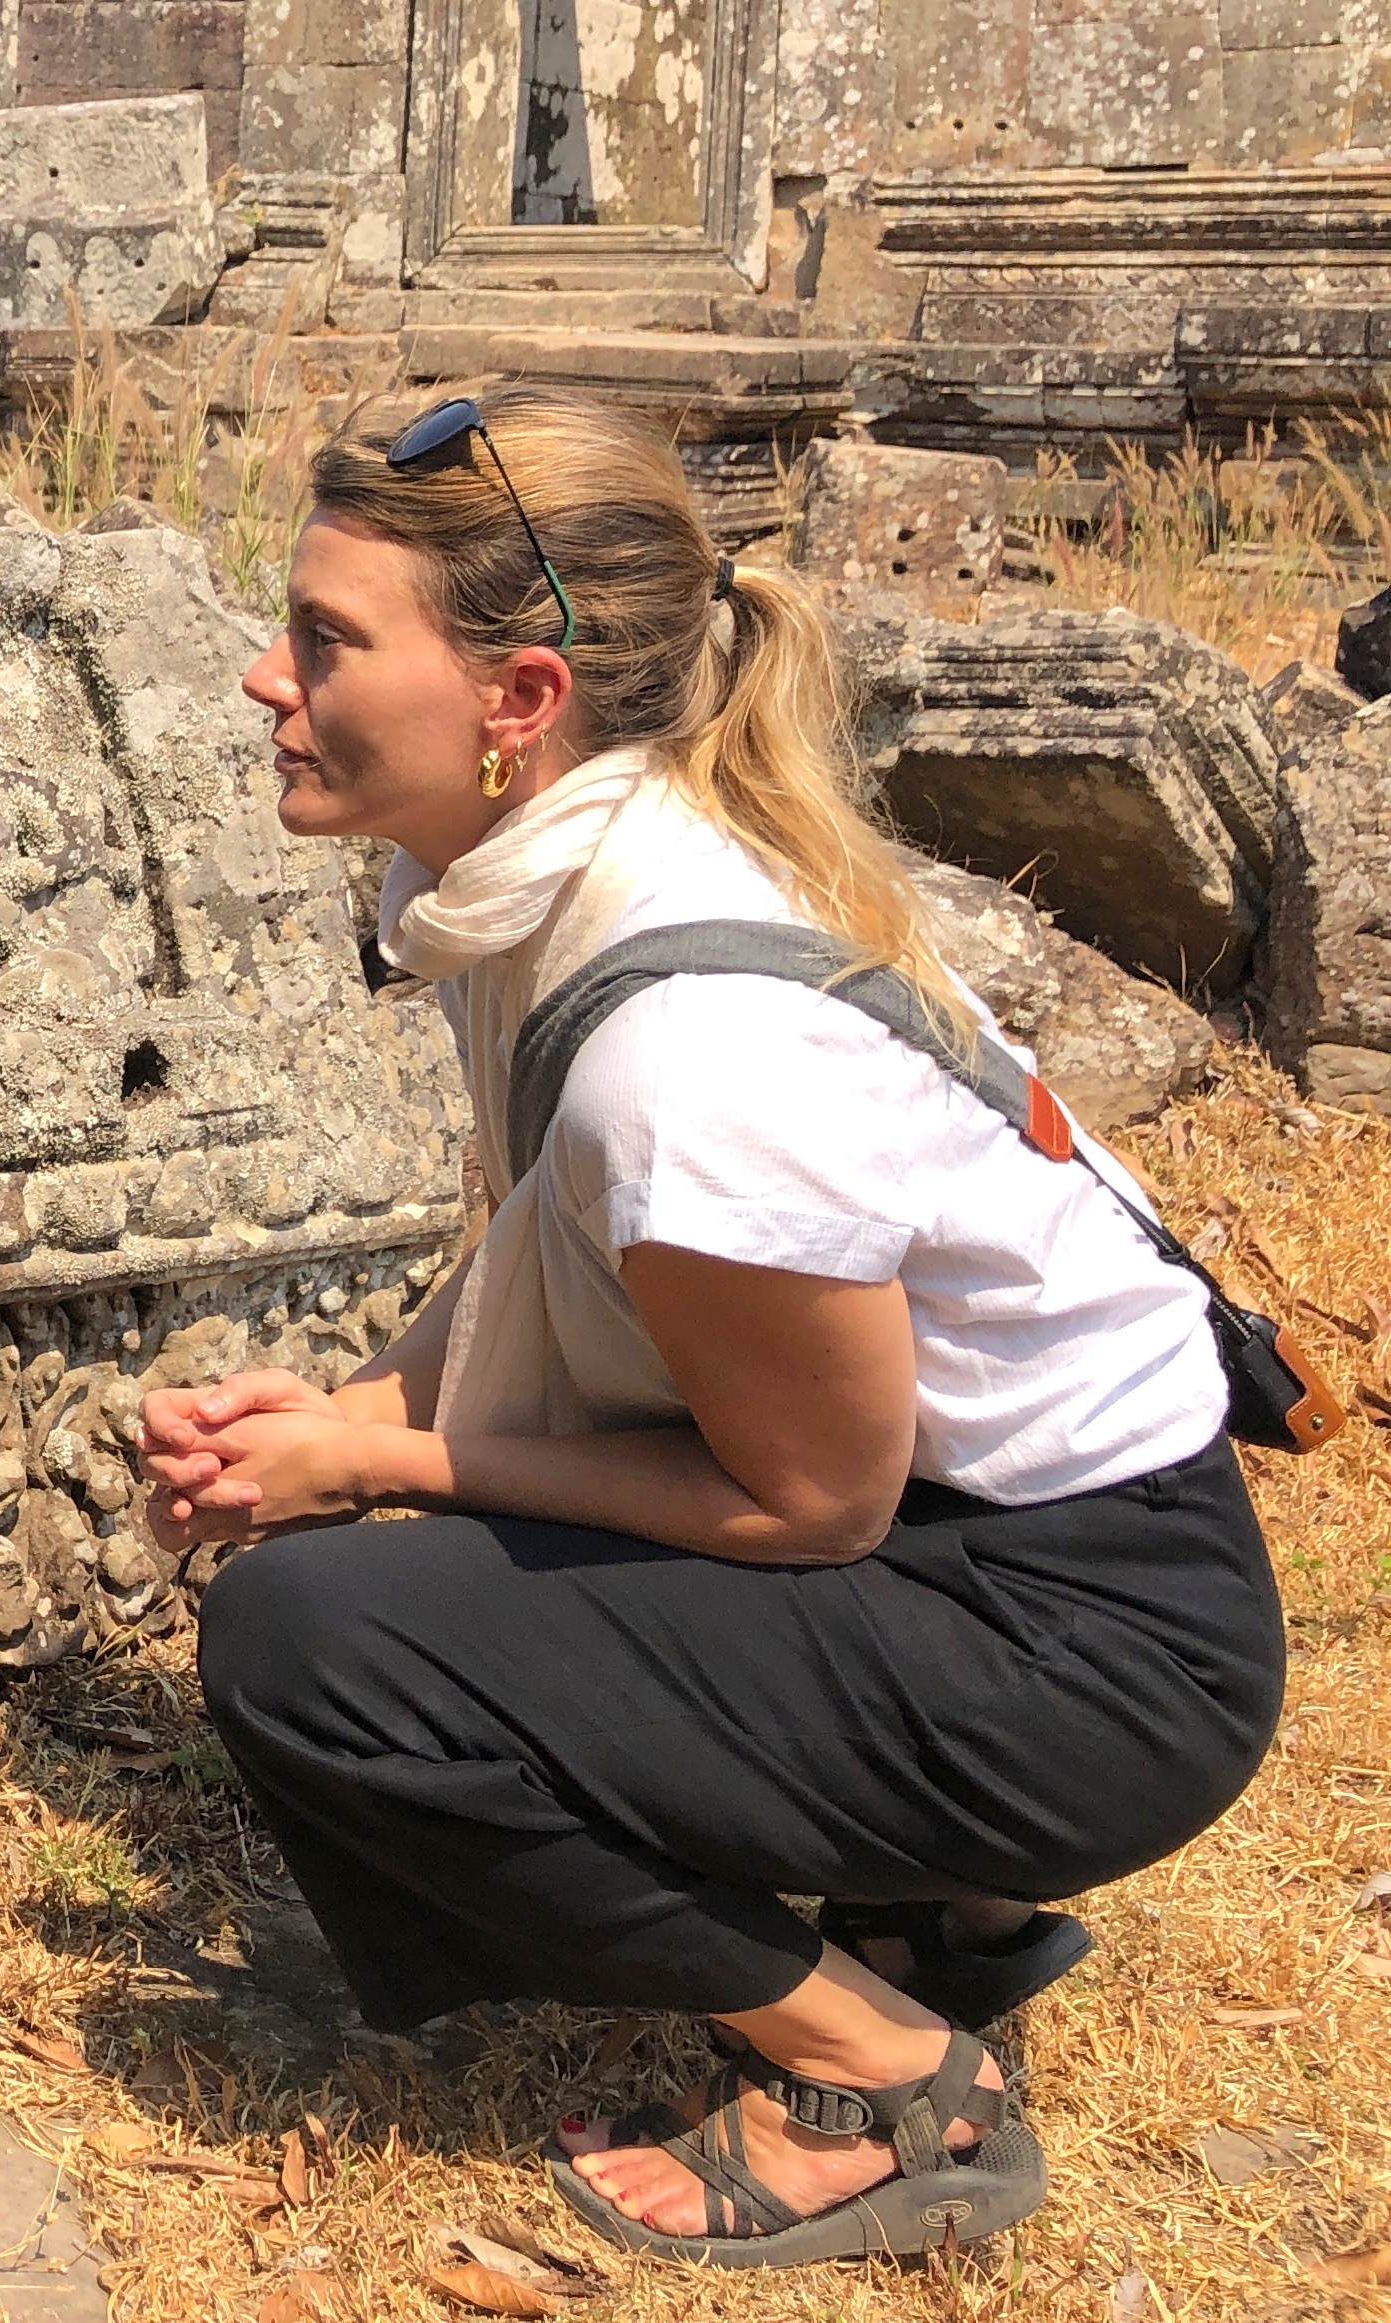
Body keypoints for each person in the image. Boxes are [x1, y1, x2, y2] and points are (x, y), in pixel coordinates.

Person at [138, 385, 1283, 2269]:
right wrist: (339, 1407)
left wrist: (373, 1463)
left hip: (1094, 1657)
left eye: (328, 638)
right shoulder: (559, 878)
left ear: (518, 702)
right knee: (368, 1585)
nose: (271, 676)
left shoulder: (687, 1052)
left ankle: (888, 2070)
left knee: (317, 1643)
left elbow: (812, 1502)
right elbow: (546, 1235)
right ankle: (941, 1903)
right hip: (1013, 1556)